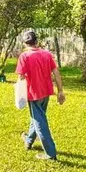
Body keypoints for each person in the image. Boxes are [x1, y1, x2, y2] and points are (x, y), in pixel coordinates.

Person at [15, 29, 65, 161]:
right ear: (36, 41)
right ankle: (28, 141)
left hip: (33, 94)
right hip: (46, 93)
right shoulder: (47, 54)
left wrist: (19, 94)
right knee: (37, 118)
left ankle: (50, 153)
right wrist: (60, 91)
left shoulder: (24, 56)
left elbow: (21, 77)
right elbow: (56, 72)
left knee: (40, 123)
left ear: (25, 43)